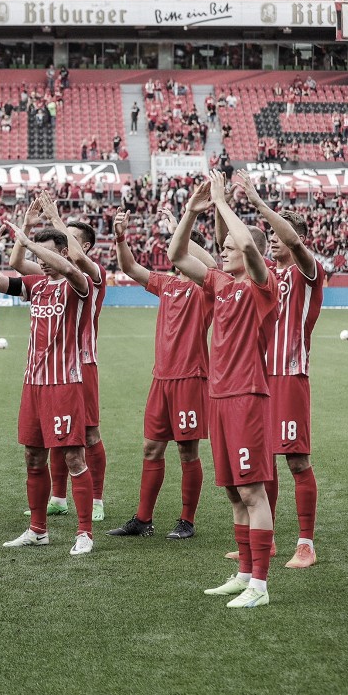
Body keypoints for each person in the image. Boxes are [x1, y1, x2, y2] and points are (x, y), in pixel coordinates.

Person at [169, 170, 277, 608]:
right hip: (218, 397)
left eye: (227, 249)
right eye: (224, 249)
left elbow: (250, 244)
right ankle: (244, 573)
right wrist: (192, 212)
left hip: (247, 397)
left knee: (253, 491)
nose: (224, 253)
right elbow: (177, 254)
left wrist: (222, 202)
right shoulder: (220, 283)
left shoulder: (261, 287)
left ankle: (261, 587)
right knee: (233, 491)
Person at [0, 198, 97, 556]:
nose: (43, 263)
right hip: (33, 382)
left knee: (73, 458)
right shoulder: (37, 287)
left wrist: (33, 242)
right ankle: (37, 530)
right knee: (33, 457)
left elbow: (73, 265)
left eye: (49, 256)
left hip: (65, 383)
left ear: (61, 253)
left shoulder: (79, 285)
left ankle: (84, 533)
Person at [107, 204, 212, 540]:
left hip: (190, 377)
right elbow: (130, 267)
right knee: (151, 448)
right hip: (161, 378)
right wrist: (121, 239)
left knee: (187, 450)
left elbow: (212, 264)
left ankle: (187, 520)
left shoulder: (207, 286)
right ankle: (143, 520)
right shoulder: (166, 283)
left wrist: (177, 229)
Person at [239, 172, 322, 569]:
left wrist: (260, 203)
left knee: (296, 461)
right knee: (263, 459)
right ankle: (267, 540)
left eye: (277, 232)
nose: (271, 238)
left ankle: (306, 542)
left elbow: (290, 240)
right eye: (268, 233)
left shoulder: (309, 271)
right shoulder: (266, 275)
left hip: (290, 375)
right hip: (259, 377)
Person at [12, 196, 109, 523]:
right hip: (52, 366)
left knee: (88, 434)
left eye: (71, 240)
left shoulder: (93, 273)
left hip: (83, 362)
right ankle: (57, 497)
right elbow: (21, 266)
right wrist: (26, 230)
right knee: (55, 437)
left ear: (85, 247)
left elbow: (74, 259)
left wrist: (54, 216)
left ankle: (96, 498)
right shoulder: (49, 275)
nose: (65, 246)